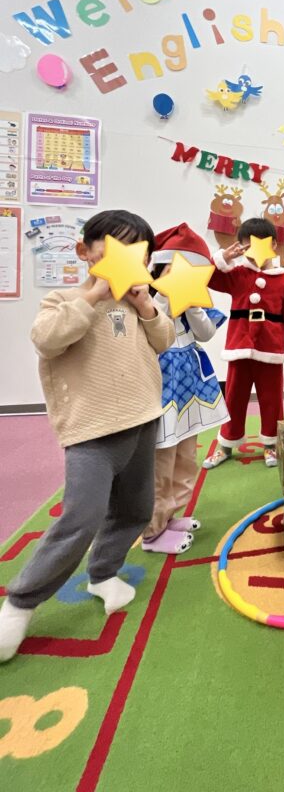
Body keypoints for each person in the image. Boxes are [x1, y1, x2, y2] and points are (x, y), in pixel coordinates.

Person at [0, 210, 175, 663]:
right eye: (115, 248)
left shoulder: (138, 304)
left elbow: (165, 340)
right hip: (92, 432)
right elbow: (48, 339)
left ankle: (104, 573)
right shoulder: (64, 299)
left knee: (135, 509)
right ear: (85, 251)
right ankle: (20, 602)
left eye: (139, 253)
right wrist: (95, 294)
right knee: (83, 516)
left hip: (142, 420)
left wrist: (145, 305)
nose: (129, 259)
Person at [142, 224, 230, 554]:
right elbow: (154, 332)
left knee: (186, 454)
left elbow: (205, 333)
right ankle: (152, 531)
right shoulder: (144, 297)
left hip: (190, 382)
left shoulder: (195, 297)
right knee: (161, 458)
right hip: (162, 382)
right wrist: (166, 295)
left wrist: (191, 303)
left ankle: (169, 515)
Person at [203, 218, 284, 469]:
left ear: (274, 245)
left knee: (272, 399)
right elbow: (208, 278)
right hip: (239, 347)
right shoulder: (238, 274)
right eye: (246, 246)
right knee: (234, 398)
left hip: (271, 348)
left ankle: (270, 444)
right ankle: (225, 445)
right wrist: (223, 258)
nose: (252, 252)